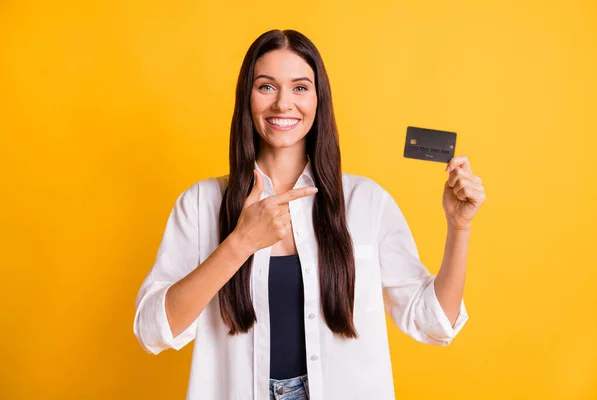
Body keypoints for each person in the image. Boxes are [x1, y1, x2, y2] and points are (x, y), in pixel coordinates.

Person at [133, 29, 486, 400]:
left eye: (300, 88)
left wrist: (459, 226)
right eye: (266, 86)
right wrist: (239, 244)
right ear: (247, 97)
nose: (283, 104)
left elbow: (434, 321)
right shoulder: (201, 203)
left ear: (319, 100)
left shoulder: (366, 201)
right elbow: (153, 329)